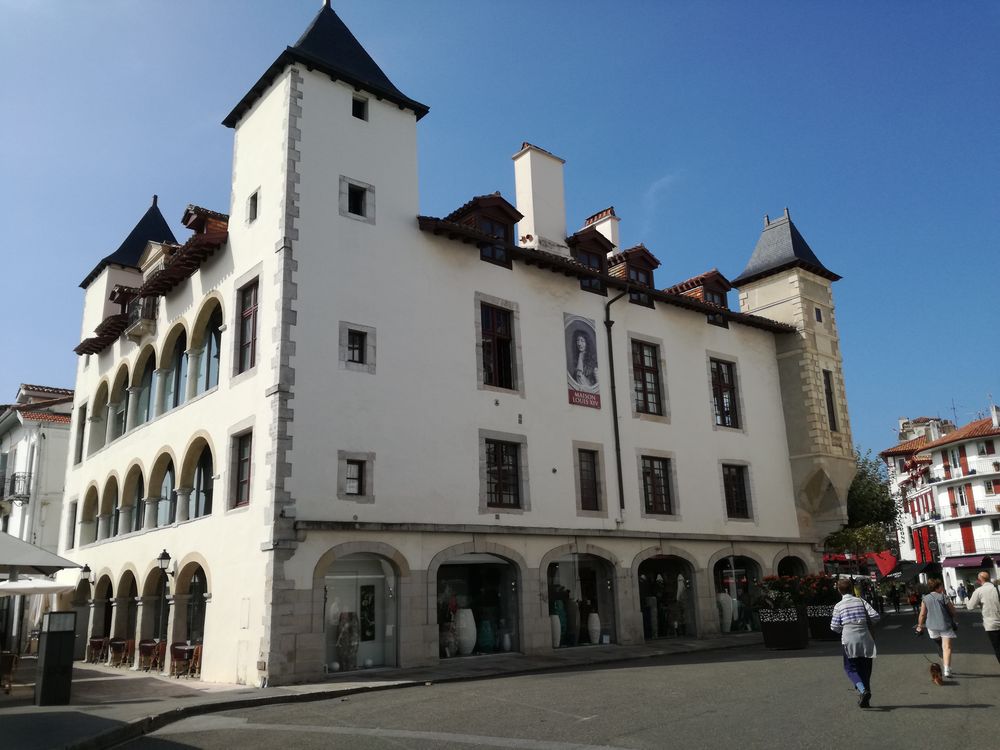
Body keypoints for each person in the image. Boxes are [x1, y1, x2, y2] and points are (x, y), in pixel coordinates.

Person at [831, 578, 880, 708]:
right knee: (865, 668)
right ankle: (866, 698)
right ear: (852, 588)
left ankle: (863, 690)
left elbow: (834, 627)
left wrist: (845, 627)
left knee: (850, 667)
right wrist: (864, 623)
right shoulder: (861, 601)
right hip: (865, 637)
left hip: (849, 638)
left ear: (839, 590)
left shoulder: (839, 606)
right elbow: (875, 616)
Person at [916, 578, 958, 678]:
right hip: (945, 625)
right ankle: (947, 669)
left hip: (932, 627)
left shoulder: (925, 599)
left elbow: (922, 614)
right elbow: (953, 611)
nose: (942, 588)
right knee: (946, 647)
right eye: (941, 586)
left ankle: (945, 665)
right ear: (938, 587)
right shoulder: (944, 597)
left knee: (940, 646)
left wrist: (919, 626)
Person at [965, 570, 1000, 664]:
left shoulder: (979, 591)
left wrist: (966, 600)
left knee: (998, 647)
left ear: (979, 580)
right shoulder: (998, 588)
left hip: (991, 624)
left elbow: (970, 607)